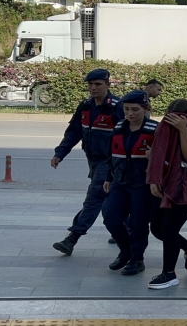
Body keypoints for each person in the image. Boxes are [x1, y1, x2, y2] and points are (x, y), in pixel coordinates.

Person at [51, 69, 123, 255]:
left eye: (98, 84)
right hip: (93, 161)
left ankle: (72, 238)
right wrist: (60, 153)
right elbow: (74, 132)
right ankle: (123, 230)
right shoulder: (85, 106)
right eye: (90, 84)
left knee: (94, 198)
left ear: (108, 84)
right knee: (111, 198)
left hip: (110, 162)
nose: (93, 88)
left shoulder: (117, 107)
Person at [146, 99, 187, 289]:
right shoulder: (164, 127)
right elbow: (157, 154)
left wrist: (183, 130)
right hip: (168, 183)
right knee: (157, 227)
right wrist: (155, 180)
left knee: (169, 228)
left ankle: (169, 274)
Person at [102, 90, 158, 275]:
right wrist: (109, 177)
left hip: (142, 185)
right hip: (120, 182)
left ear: (146, 109)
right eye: (126, 109)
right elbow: (112, 155)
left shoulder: (154, 130)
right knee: (110, 217)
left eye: (135, 109)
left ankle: (136, 259)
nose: (130, 114)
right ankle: (125, 251)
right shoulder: (118, 127)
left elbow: (165, 159)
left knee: (138, 224)